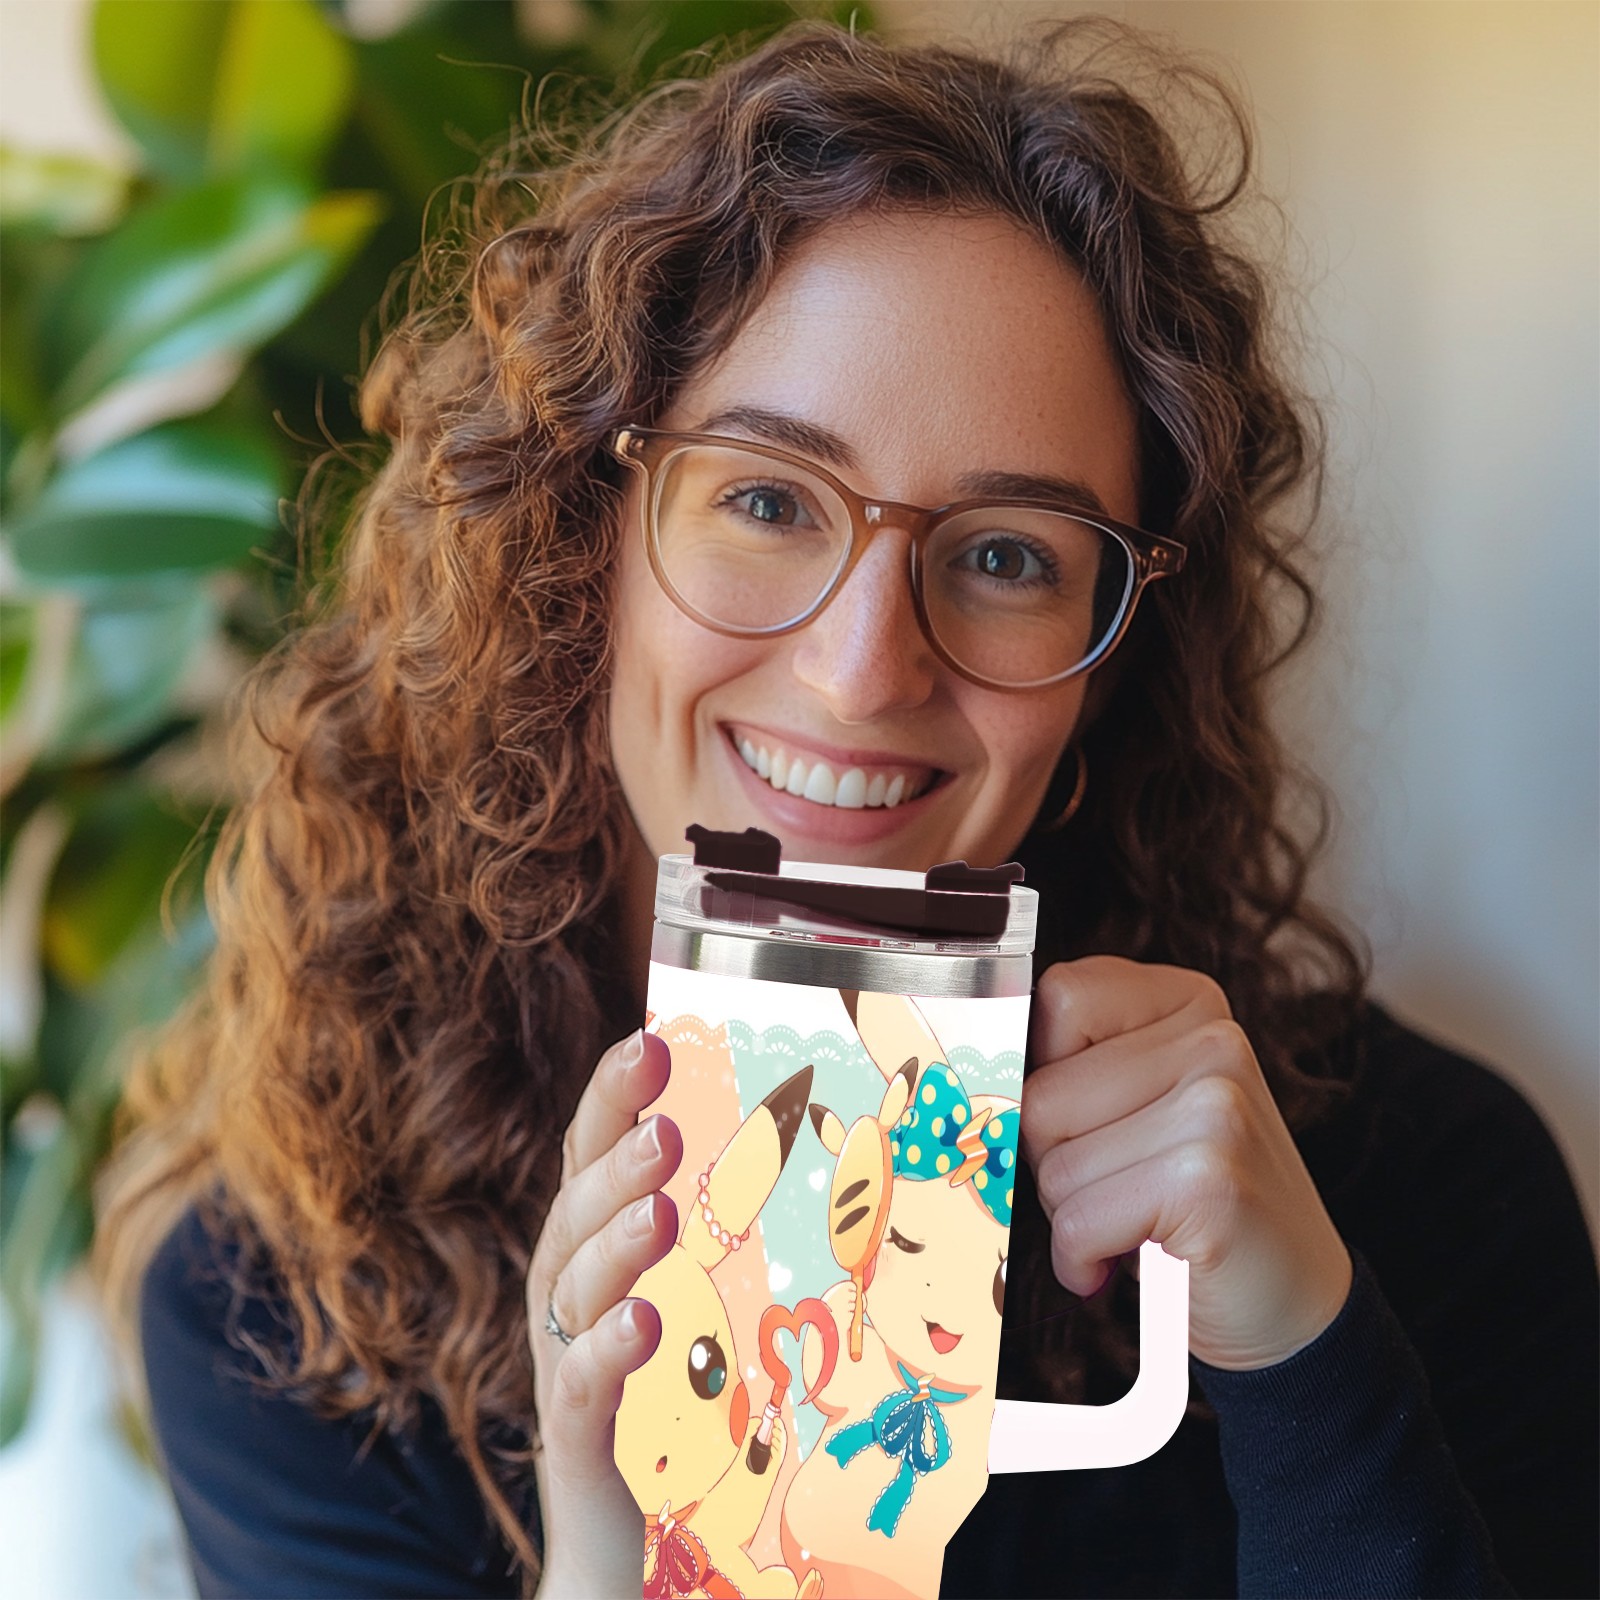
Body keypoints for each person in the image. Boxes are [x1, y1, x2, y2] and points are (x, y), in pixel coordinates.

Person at [96, 18, 1597, 1600]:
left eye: (1007, 554)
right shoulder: (293, 1302)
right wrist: (615, 1559)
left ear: (1113, 662)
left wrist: (1306, 1368)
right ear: (580, 550)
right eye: (765, 499)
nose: (864, 671)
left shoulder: (1421, 1194)